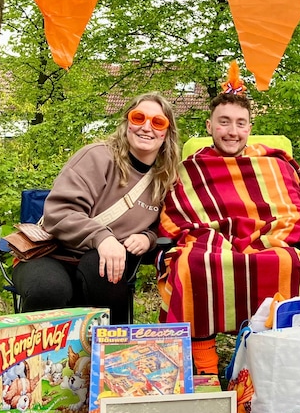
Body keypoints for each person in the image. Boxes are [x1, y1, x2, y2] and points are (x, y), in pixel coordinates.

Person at [156, 62, 300, 375]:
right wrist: (217, 238)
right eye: (224, 122)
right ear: (209, 126)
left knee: (290, 263)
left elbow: (294, 213)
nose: (232, 131)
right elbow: (177, 216)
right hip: (209, 241)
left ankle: (269, 368)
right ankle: (204, 367)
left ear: (249, 128)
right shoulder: (189, 169)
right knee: (191, 264)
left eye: (240, 123)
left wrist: (263, 237)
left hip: (267, 239)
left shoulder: (274, 165)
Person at [12, 93, 181, 325]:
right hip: (52, 254)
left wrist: (148, 238)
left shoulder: (165, 180)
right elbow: (58, 213)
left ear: (167, 133)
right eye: (139, 118)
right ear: (127, 123)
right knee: (49, 289)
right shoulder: (97, 157)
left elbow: (167, 227)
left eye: (158, 122)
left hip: (102, 264)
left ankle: (111, 356)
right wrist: (102, 237)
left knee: (104, 274)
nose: (146, 127)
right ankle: (37, 359)